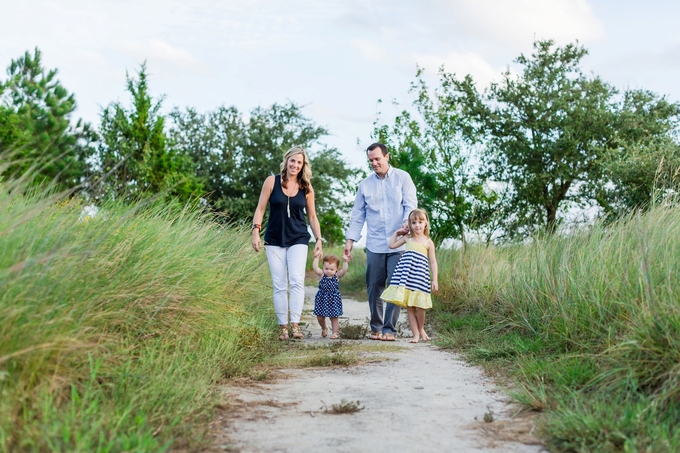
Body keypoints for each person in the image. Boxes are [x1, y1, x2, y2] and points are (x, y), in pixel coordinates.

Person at [343, 143, 417, 341]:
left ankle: (389, 329)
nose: (374, 163)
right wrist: (350, 241)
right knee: (374, 287)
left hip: (398, 242)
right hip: (375, 243)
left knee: (395, 285)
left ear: (387, 156)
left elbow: (410, 205)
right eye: (371, 160)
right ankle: (375, 327)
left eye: (377, 159)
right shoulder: (365, 185)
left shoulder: (403, 178)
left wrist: (406, 224)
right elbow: (358, 216)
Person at [251, 146, 323, 340]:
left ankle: (295, 326)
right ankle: (283, 327)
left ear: (303, 165)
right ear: (286, 160)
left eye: (299, 162)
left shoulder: (306, 187)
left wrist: (318, 240)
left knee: (297, 280)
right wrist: (255, 231)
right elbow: (260, 209)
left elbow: (313, 217)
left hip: (298, 238)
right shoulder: (271, 182)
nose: (295, 165)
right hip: (274, 239)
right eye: (293, 161)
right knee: (279, 284)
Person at [381, 208, 439, 343]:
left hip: (421, 278)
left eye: (420, 222)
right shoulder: (408, 238)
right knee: (410, 307)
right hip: (407, 278)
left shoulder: (428, 242)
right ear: (410, 225)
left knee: (421, 307)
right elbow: (391, 245)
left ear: (426, 223)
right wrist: (397, 233)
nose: (417, 225)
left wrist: (434, 279)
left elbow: (433, 262)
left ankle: (421, 329)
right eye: (413, 222)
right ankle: (416, 335)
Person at [312, 254, 349, 340]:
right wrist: (316, 258)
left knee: (334, 317)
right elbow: (315, 268)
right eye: (326, 268)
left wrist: (345, 261)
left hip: (333, 299)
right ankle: (324, 328)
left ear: (336, 269)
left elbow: (344, 270)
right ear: (323, 267)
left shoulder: (337, 275)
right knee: (320, 316)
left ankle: (335, 332)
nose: (328, 271)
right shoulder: (322, 274)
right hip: (322, 298)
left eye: (331, 269)